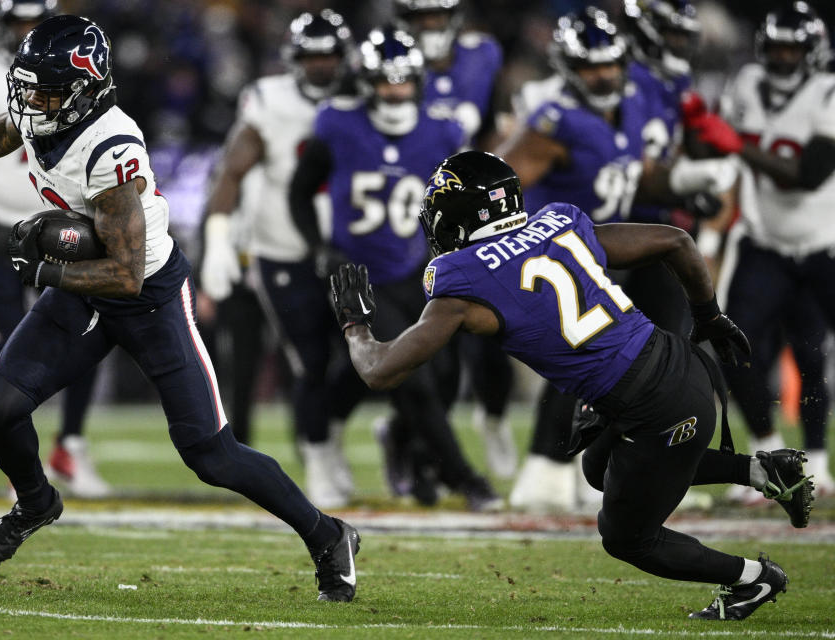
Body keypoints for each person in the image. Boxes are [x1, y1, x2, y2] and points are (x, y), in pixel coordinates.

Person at [0, 14, 360, 602]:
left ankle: (328, 536)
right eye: (29, 85)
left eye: (47, 89)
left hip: (148, 297)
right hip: (86, 288)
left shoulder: (111, 147)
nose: (31, 100)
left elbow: (127, 275)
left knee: (210, 454)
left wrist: (42, 271)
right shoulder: (49, 108)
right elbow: (8, 129)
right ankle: (37, 501)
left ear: (85, 86)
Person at [330, 149, 814, 619]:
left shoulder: (463, 282)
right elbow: (677, 242)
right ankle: (761, 472)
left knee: (627, 538)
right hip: (673, 362)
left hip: (657, 407)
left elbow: (379, 370)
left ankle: (753, 577)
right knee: (598, 468)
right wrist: (709, 317)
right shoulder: (558, 223)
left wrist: (355, 324)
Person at [497, 6, 735, 511]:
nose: (603, 74)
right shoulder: (554, 120)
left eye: (609, 63)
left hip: (613, 245)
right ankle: (545, 468)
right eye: (590, 66)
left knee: (664, 346)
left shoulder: (629, 101)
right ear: (567, 67)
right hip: (565, 256)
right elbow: (498, 187)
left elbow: (631, 173)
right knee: (584, 359)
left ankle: (652, 466)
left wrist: (686, 185)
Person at [289, 25, 501, 511]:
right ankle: (465, 477)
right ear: (367, 82)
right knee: (412, 376)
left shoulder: (443, 130)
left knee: (445, 376)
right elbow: (300, 191)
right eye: (386, 82)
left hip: (417, 268)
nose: (395, 92)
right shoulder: (337, 124)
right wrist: (319, 246)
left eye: (404, 81)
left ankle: (413, 453)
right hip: (359, 272)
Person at [0, 0, 109, 499]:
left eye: (38, 22)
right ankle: (21, 466)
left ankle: (70, 446)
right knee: (8, 343)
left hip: (59, 228)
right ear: (2, 27)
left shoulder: (76, 71)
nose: (29, 31)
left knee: (87, 333)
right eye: (20, 23)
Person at [199, 8, 361, 507]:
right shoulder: (269, 101)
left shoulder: (365, 99)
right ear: (294, 59)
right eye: (312, 55)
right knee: (307, 361)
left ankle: (327, 438)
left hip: (350, 253)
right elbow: (231, 171)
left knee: (364, 360)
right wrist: (219, 237)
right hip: (282, 251)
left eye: (329, 54)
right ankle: (316, 458)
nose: (321, 65)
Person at [702, 0, 835, 499]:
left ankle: (819, 462)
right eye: (775, 48)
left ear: (812, 51)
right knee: (733, 345)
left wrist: (734, 143)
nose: (782, 58)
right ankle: (768, 452)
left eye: (791, 49)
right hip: (764, 243)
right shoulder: (744, 85)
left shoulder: (827, 91)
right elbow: (719, 154)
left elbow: (809, 175)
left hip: (824, 245)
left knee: (810, 353)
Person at [394, 0, 518, 480]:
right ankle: (421, 456)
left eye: (435, 16)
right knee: (433, 353)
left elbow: (497, 124)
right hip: (408, 223)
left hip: (475, 218)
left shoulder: (482, 55)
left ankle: (493, 416)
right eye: (419, 18)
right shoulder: (389, 62)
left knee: (498, 332)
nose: (429, 26)